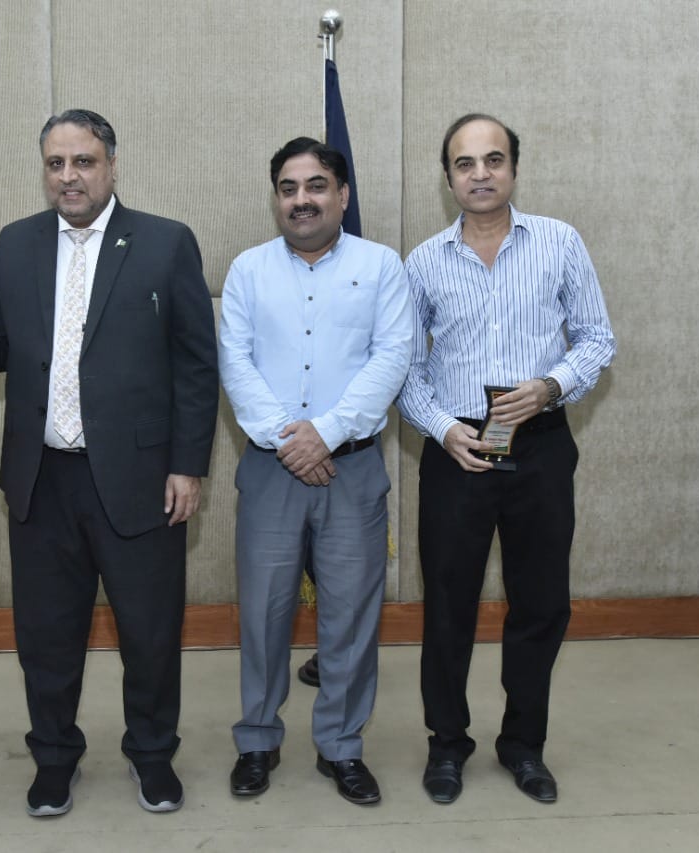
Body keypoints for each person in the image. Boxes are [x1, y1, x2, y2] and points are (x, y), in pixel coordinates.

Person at [0, 109, 219, 817]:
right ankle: (54, 759)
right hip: (42, 480)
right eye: (56, 163)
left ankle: (152, 755)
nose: (69, 176)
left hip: (141, 479)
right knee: (46, 636)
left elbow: (195, 364)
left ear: (111, 165)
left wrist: (188, 465)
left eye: (83, 162)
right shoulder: (17, 242)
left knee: (150, 634)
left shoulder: (165, 242)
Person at [397, 114, 615, 806]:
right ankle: (447, 743)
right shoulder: (423, 262)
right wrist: (441, 429)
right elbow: (406, 370)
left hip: (540, 442)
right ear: (448, 178)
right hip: (456, 450)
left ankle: (524, 744)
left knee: (541, 604)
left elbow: (597, 338)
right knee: (448, 606)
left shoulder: (559, 242)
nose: (481, 174)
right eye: (465, 163)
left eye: (494, 159)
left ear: (514, 168)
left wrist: (552, 385)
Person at [219, 137, 412, 805]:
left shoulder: (382, 266)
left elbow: (392, 358)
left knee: (351, 618)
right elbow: (235, 363)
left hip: (352, 470)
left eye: (316, 185)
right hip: (270, 469)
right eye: (288, 187)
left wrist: (325, 434)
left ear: (343, 194)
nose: (301, 199)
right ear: (276, 198)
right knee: (263, 614)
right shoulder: (248, 270)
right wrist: (290, 439)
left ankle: (342, 746)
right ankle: (257, 739)